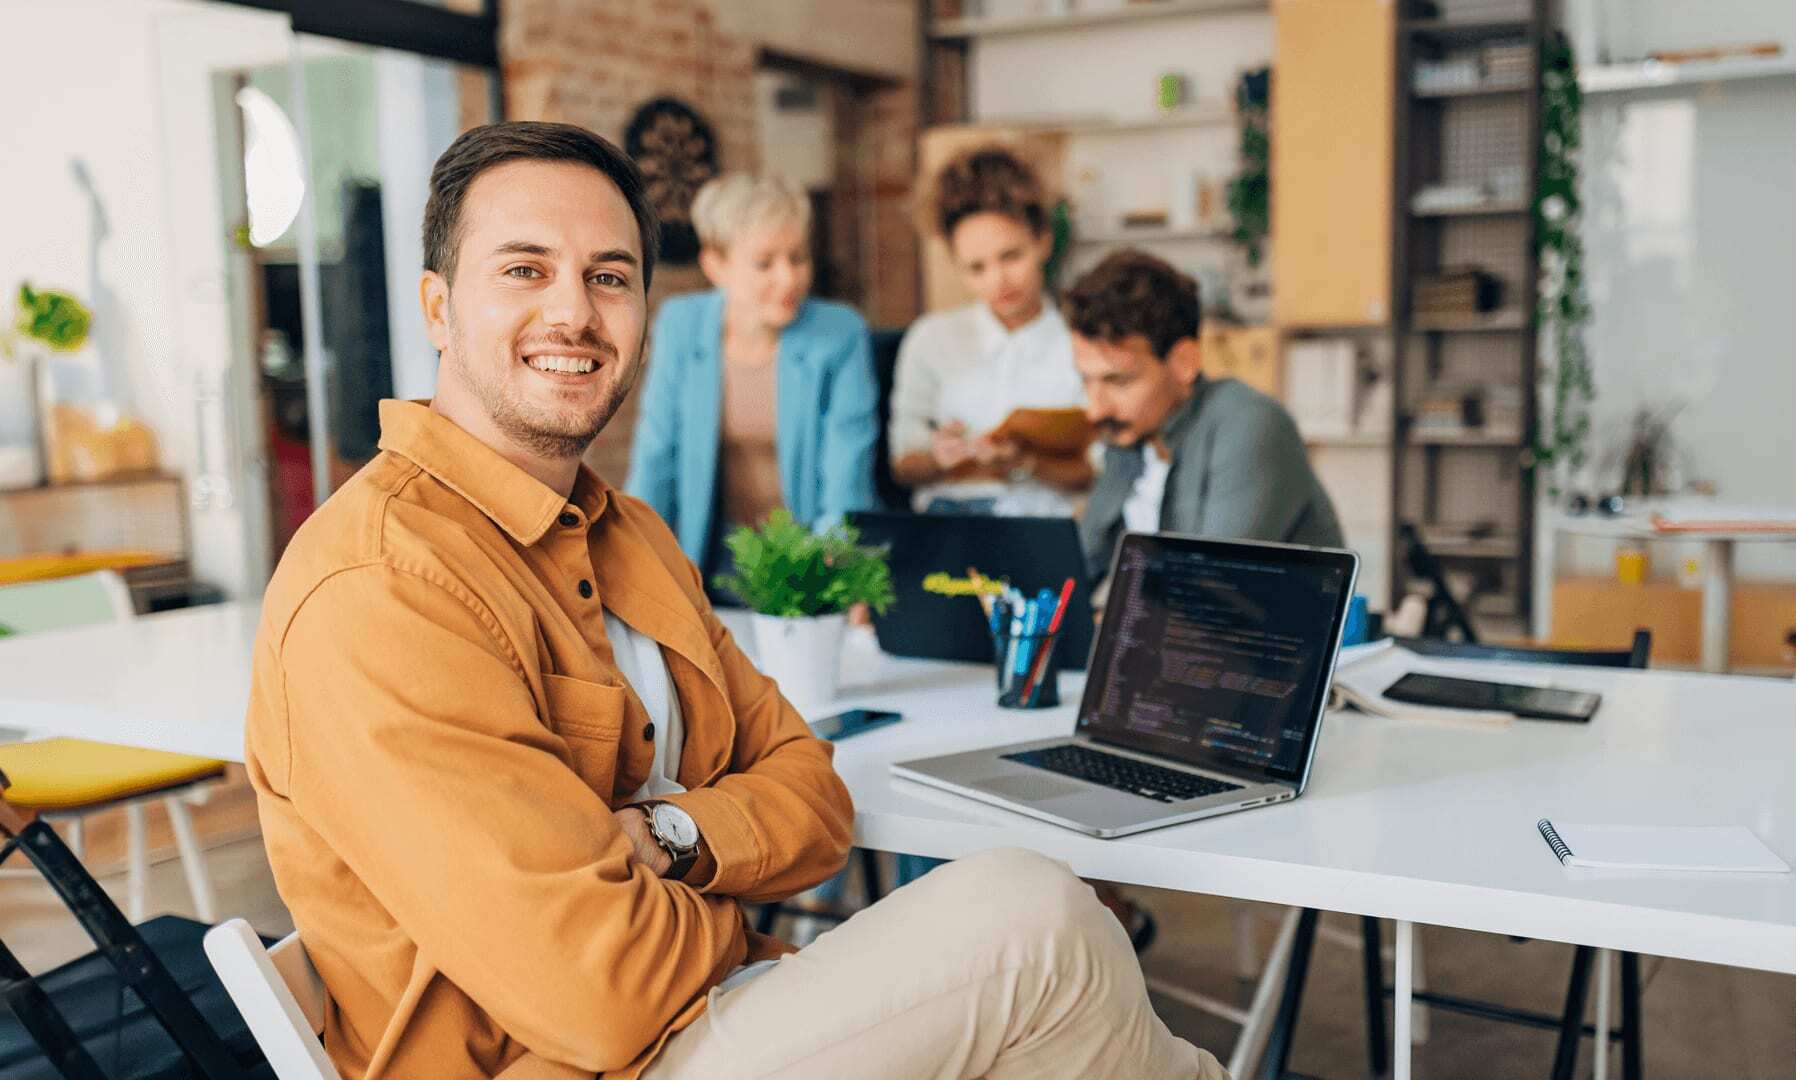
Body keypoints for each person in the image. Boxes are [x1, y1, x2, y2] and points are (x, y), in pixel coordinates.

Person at [245, 121, 1227, 1080]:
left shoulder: (629, 537)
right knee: (1038, 923)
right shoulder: (382, 587)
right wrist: (722, 874)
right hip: (586, 1058)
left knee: (1048, 1002)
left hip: (717, 1010)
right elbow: (601, 995)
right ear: (435, 307)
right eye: (524, 269)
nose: (576, 313)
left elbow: (813, 792)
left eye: (609, 276)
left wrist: (667, 836)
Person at [628, 173, 878, 586]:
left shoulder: (840, 334)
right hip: (711, 564)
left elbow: (846, 476)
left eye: (798, 258)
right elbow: (656, 458)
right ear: (715, 265)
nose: (788, 278)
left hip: (809, 562)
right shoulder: (681, 325)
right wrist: (635, 567)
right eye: (765, 263)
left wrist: (833, 580)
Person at [1066, 249, 1345, 584]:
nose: (1095, 410)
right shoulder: (1132, 435)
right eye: (1086, 380)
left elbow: (1210, 588)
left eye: (1119, 381)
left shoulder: (1250, 424)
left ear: (1184, 362)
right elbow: (1075, 575)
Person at [889, 146, 1091, 516]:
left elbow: (1095, 473)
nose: (998, 280)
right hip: (951, 526)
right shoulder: (931, 340)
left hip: (1044, 528)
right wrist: (938, 457)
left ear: (1043, 241)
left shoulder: (1081, 343)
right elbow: (904, 465)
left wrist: (1024, 462)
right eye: (976, 268)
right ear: (956, 264)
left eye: (1011, 256)